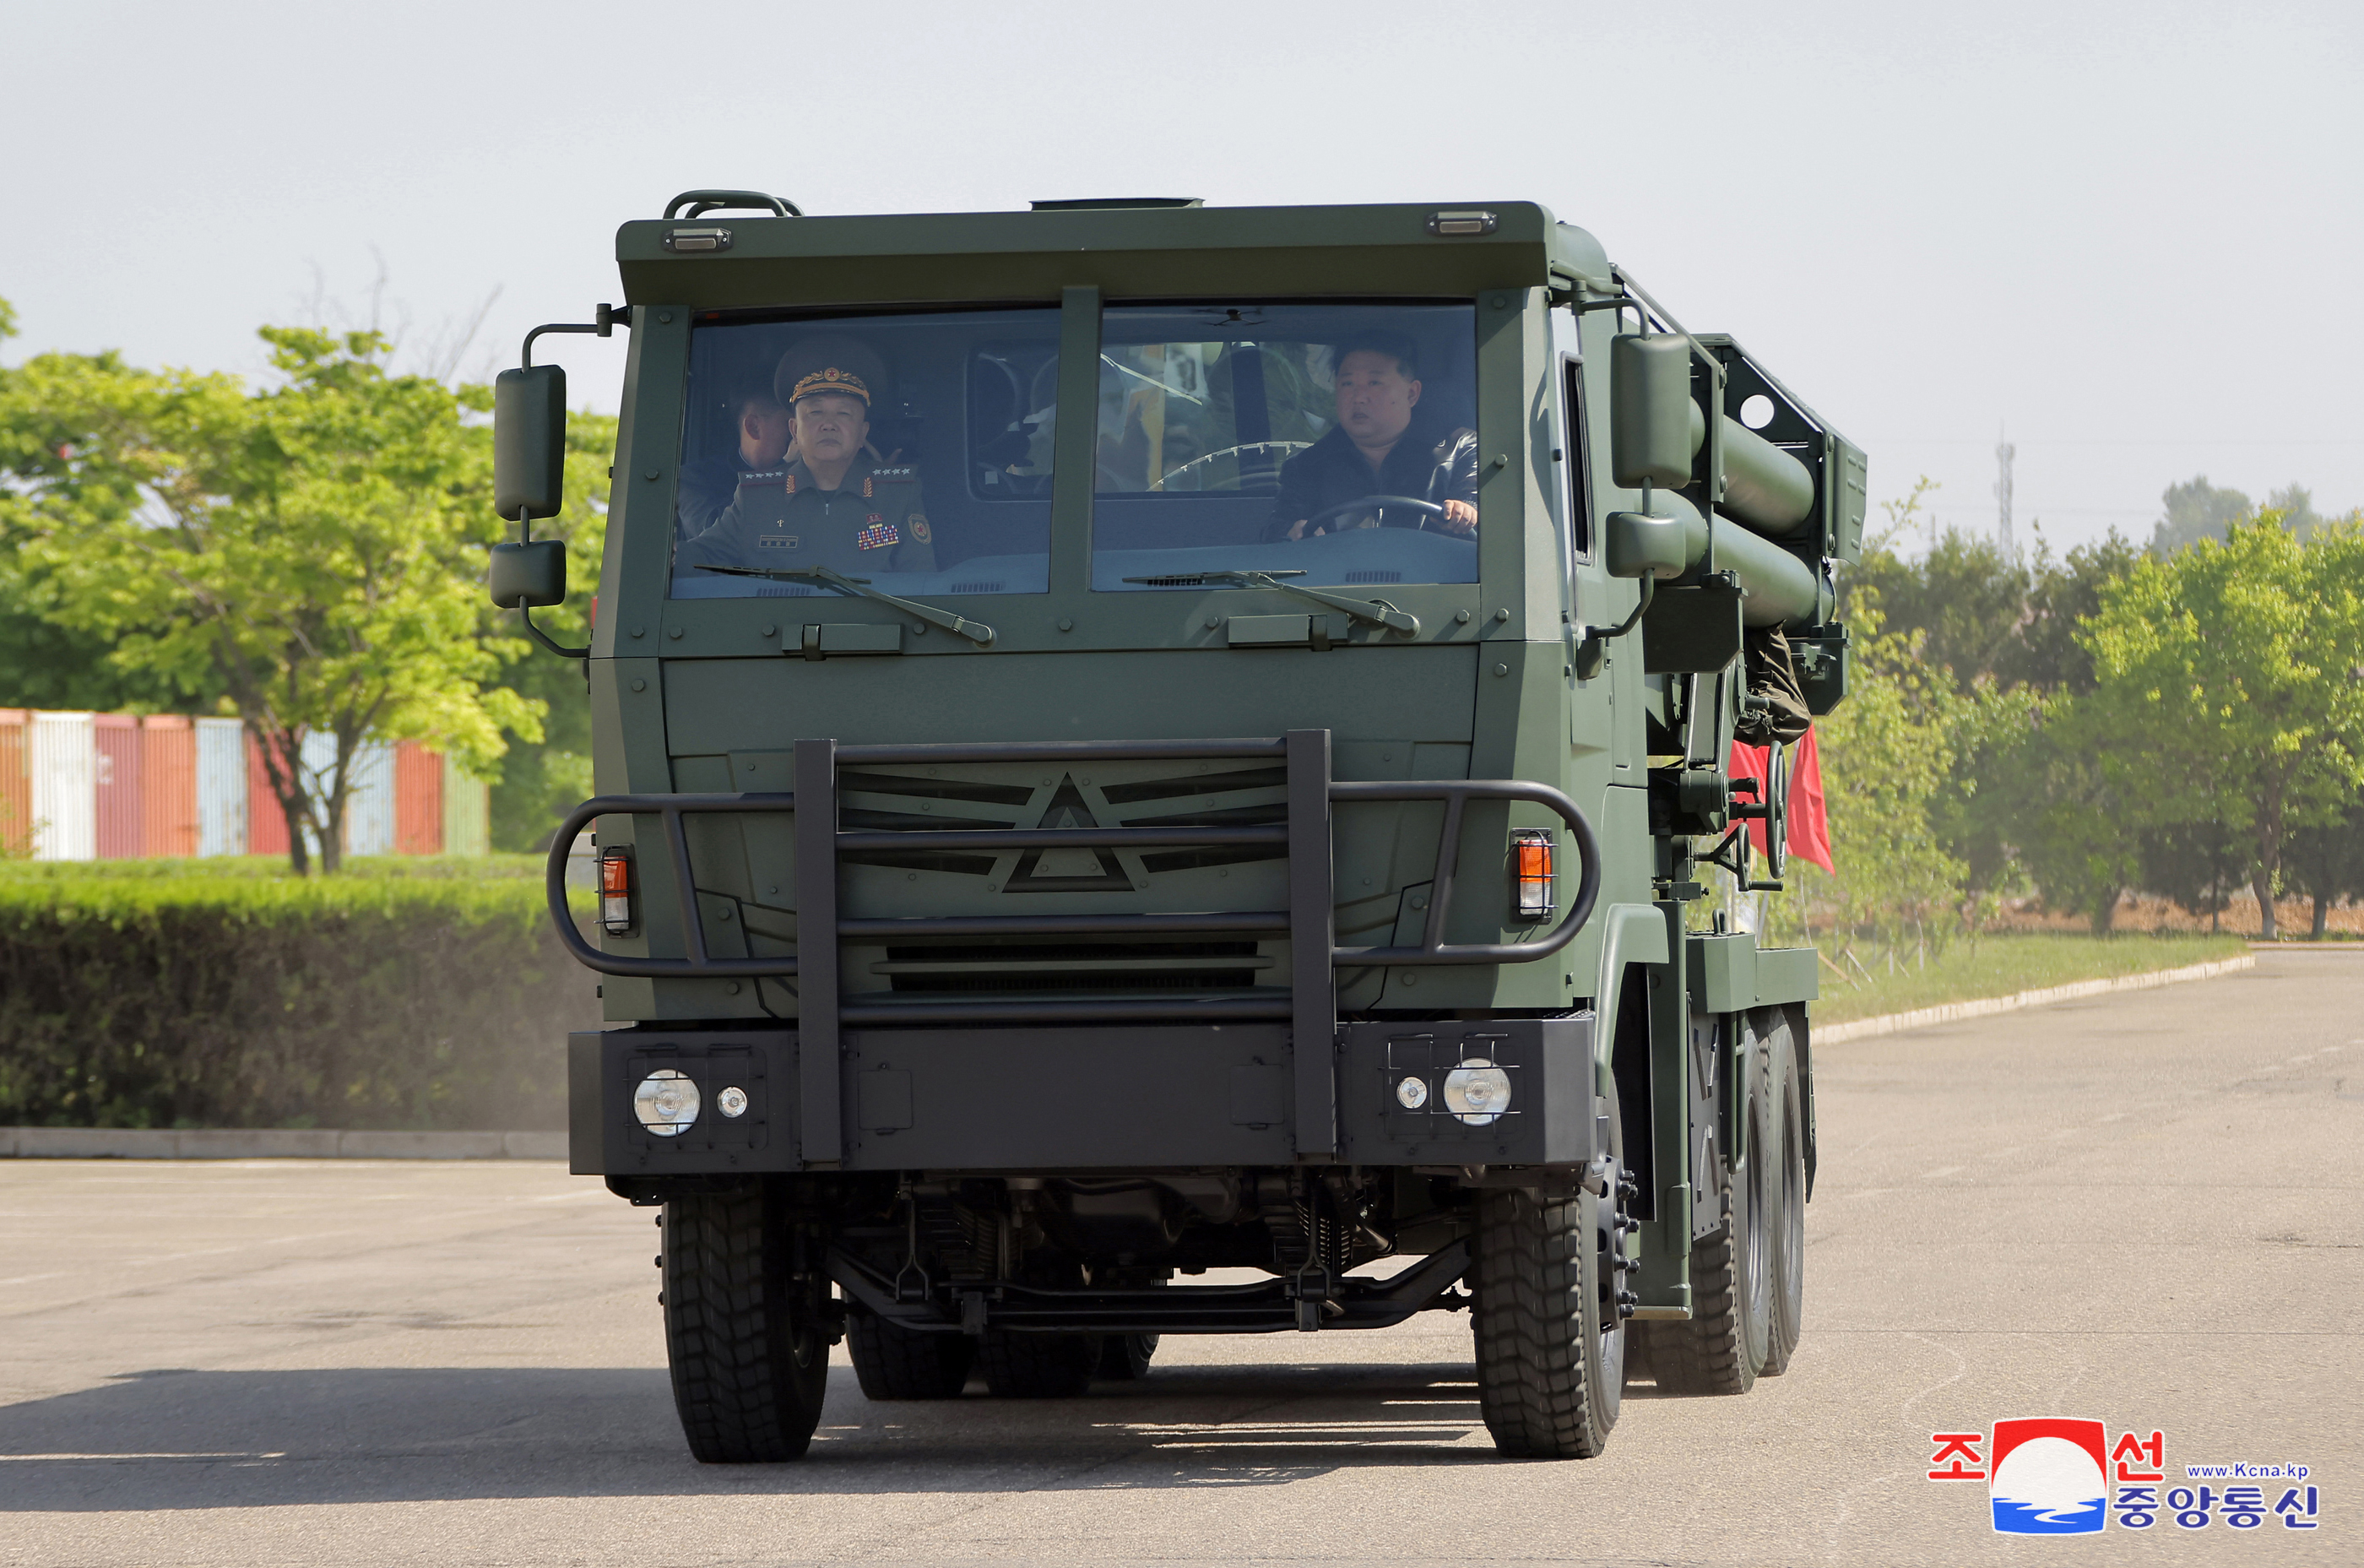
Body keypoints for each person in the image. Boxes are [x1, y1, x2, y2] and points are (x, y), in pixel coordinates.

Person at [686, 364, 937, 575]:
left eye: (844, 413)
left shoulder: (899, 495)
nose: (829, 425)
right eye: (815, 413)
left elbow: (921, 582)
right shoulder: (756, 497)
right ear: (794, 430)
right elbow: (698, 556)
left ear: (863, 432)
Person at [1266, 332, 1478, 541]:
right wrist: (1291, 532)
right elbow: (1276, 536)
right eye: (1347, 384)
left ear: (1412, 393)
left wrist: (1466, 510)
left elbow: (1481, 502)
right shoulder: (1306, 467)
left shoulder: (1461, 448)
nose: (1359, 397)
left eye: (1374, 383)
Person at [676, 388, 793, 540]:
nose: (798, 433)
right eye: (789, 424)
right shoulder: (694, 479)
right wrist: (787, 465)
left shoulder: (810, 476)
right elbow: (714, 534)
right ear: (754, 427)